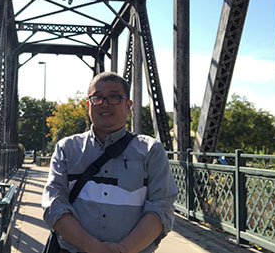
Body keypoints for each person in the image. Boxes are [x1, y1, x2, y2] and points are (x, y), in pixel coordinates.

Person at [42, 72, 178, 253]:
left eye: (114, 97)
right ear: (88, 104)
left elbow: (162, 207)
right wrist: (93, 247)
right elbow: (54, 204)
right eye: (97, 97)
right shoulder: (67, 149)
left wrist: (123, 249)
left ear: (128, 105)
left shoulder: (151, 151)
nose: (105, 103)